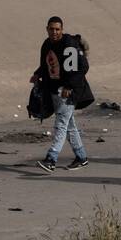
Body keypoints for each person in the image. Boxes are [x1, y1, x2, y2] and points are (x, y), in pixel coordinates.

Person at [32, 16, 94, 172]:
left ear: (62, 30)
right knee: (69, 125)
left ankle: (51, 159)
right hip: (54, 90)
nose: (54, 32)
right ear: (47, 29)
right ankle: (81, 157)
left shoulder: (69, 45)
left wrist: (69, 86)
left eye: (57, 29)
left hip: (68, 92)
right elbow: (46, 65)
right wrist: (37, 74)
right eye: (51, 29)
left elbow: (81, 68)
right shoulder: (47, 44)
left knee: (61, 124)